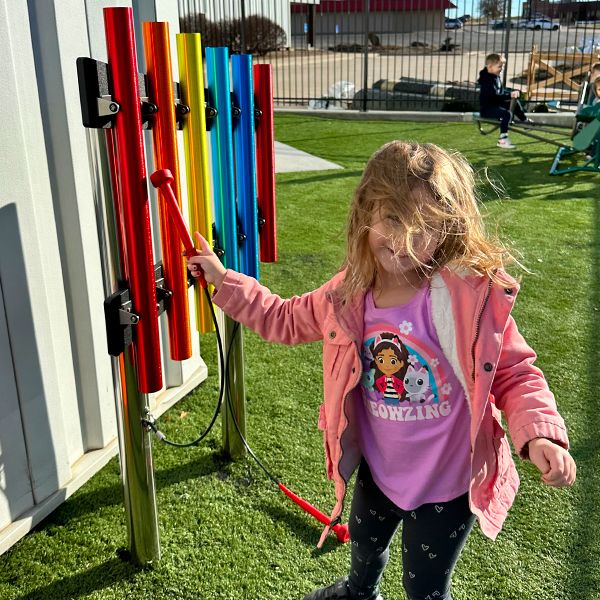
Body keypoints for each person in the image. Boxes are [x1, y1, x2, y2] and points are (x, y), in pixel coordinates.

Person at [187, 141, 576, 600]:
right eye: (392, 218)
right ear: (364, 215)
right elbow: (285, 317)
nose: (405, 238)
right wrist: (224, 280)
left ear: (447, 227)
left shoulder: (464, 299)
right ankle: (358, 592)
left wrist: (540, 434)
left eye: (425, 225)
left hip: (446, 489)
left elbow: (514, 373)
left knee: (425, 589)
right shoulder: (348, 293)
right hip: (378, 472)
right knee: (365, 551)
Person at [478, 53, 532, 149]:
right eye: (499, 66)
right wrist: (509, 95)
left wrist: (511, 94)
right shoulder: (487, 80)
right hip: (487, 108)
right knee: (506, 114)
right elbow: (494, 96)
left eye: (502, 66)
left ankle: (525, 121)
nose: (501, 69)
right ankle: (502, 140)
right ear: (490, 67)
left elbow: (500, 92)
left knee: (514, 103)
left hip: (495, 104)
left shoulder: (495, 76)